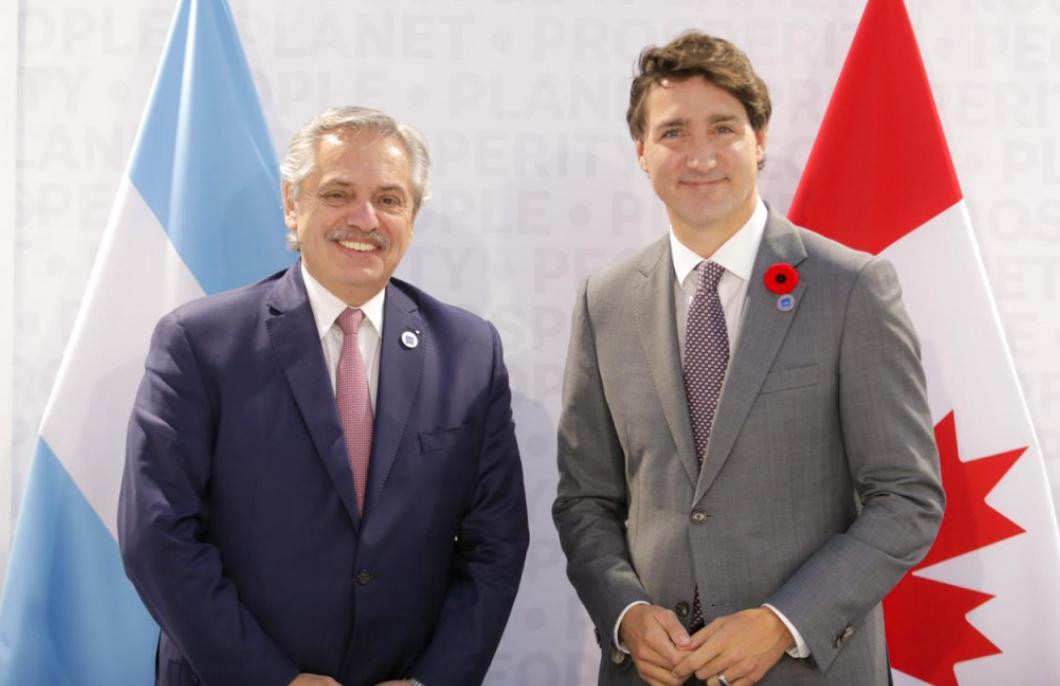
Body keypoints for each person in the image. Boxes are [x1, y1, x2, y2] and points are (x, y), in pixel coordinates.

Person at [552, 31, 944, 686]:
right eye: (673, 132)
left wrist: (782, 621)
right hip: (653, 673)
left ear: (759, 140)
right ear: (642, 153)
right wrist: (627, 614)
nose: (700, 155)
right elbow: (585, 500)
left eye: (724, 128)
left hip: (808, 669)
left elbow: (907, 498)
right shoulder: (605, 302)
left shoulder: (851, 288)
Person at [119, 106, 529, 686]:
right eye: (338, 193)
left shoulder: (469, 351)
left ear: (412, 215)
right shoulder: (199, 344)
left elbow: (497, 543)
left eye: (389, 199)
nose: (365, 219)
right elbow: (157, 537)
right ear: (292, 203)